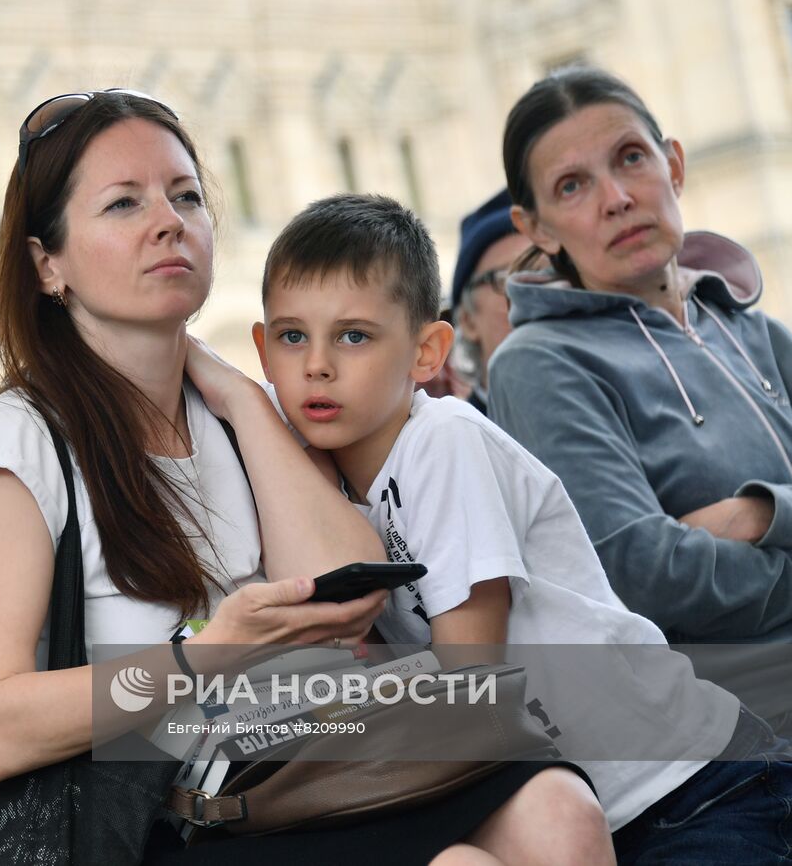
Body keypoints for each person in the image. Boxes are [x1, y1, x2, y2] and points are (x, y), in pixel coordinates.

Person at [0, 89, 602, 864]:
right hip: (163, 815)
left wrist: (246, 403)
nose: (169, 221)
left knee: (559, 809)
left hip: (314, 763)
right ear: (48, 264)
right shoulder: (16, 442)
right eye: (123, 204)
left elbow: (346, 599)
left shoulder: (231, 412)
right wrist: (213, 654)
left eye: (185, 195)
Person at [255, 193, 792, 863]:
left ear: (428, 352)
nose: (317, 365)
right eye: (292, 335)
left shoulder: (444, 443)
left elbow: (468, 675)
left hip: (693, 784)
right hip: (603, 805)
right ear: (262, 348)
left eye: (354, 335)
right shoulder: (332, 493)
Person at [488, 67, 792, 643]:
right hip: (746, 713)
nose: (617, 199)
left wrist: (758, 513)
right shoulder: (540, 364)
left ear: (673, 166)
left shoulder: (762, 337)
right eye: (571, 186)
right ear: (538, 228)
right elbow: (644, 576)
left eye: (631, 158)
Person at [447, 188, 532, 415]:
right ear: (468, 320)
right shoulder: (456, 442)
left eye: (551, 274)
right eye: (509, 279)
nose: (539, 294)